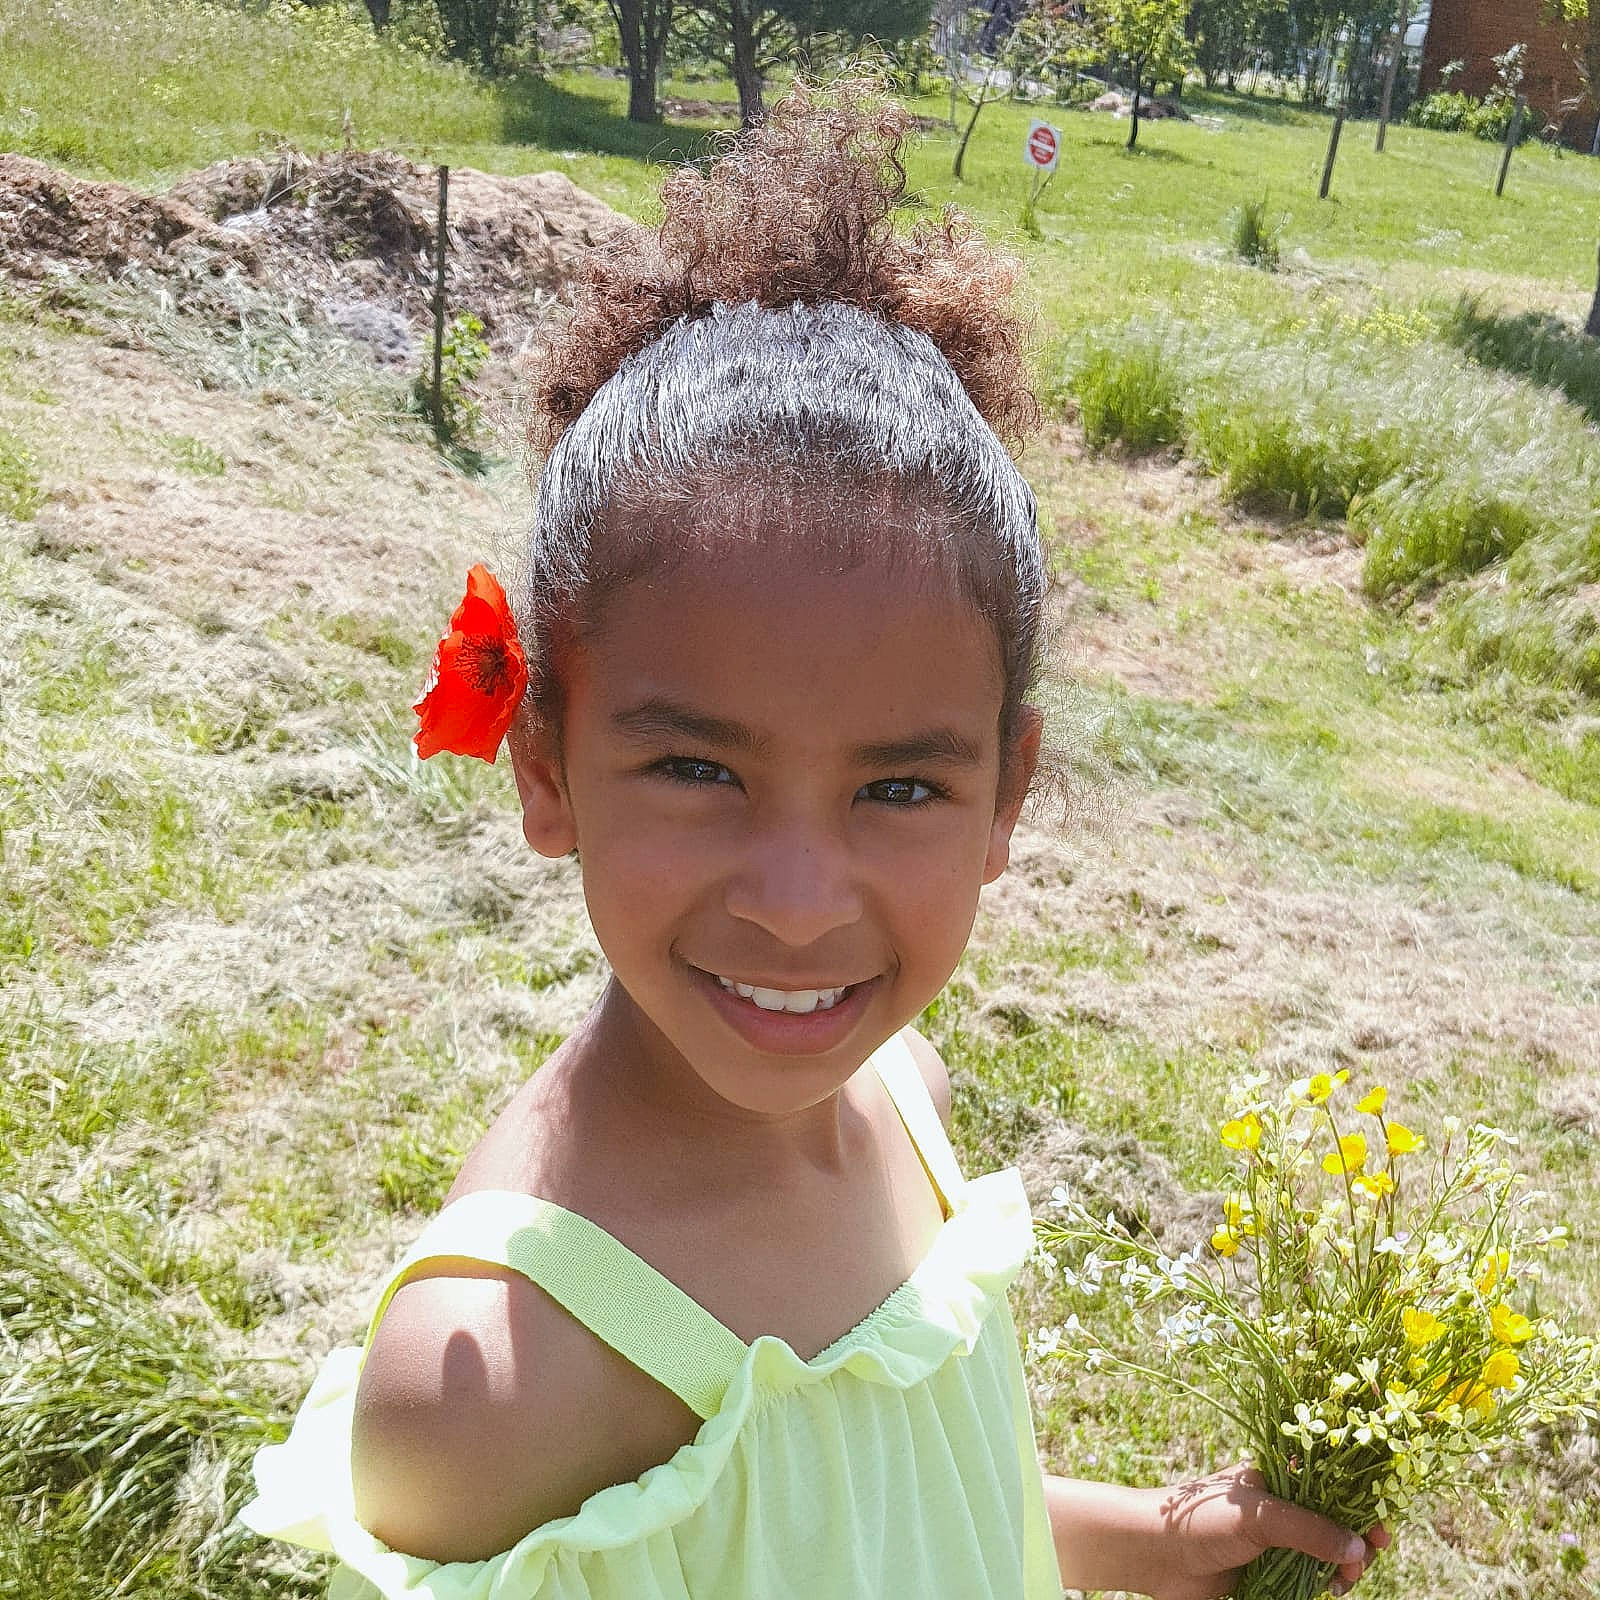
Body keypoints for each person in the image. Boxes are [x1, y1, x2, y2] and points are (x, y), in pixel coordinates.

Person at [240, 81, 1388, 1600]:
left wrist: (1160, 1546)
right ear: (548, 768)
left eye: (899, 789)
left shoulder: (904, 1090)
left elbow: (884, 1505)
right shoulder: (489, 1395)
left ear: (1006, 795)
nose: (795, 906)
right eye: (700, 766)